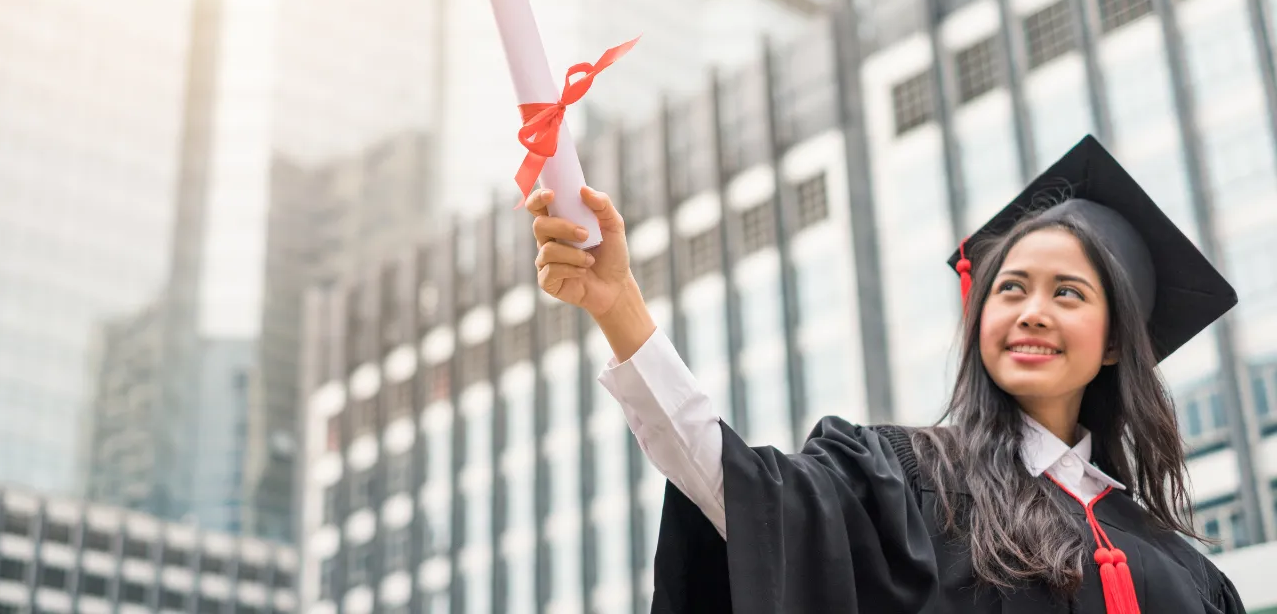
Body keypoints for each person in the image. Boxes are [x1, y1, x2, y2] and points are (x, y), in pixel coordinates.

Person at [526, 135, 1246, 613]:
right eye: (1010, 288)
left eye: (1067, 293)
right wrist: (619, 307)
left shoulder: (1187, 572)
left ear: (1116, 342)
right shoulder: (905, 481)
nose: (1031, 312)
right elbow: (739, 491)